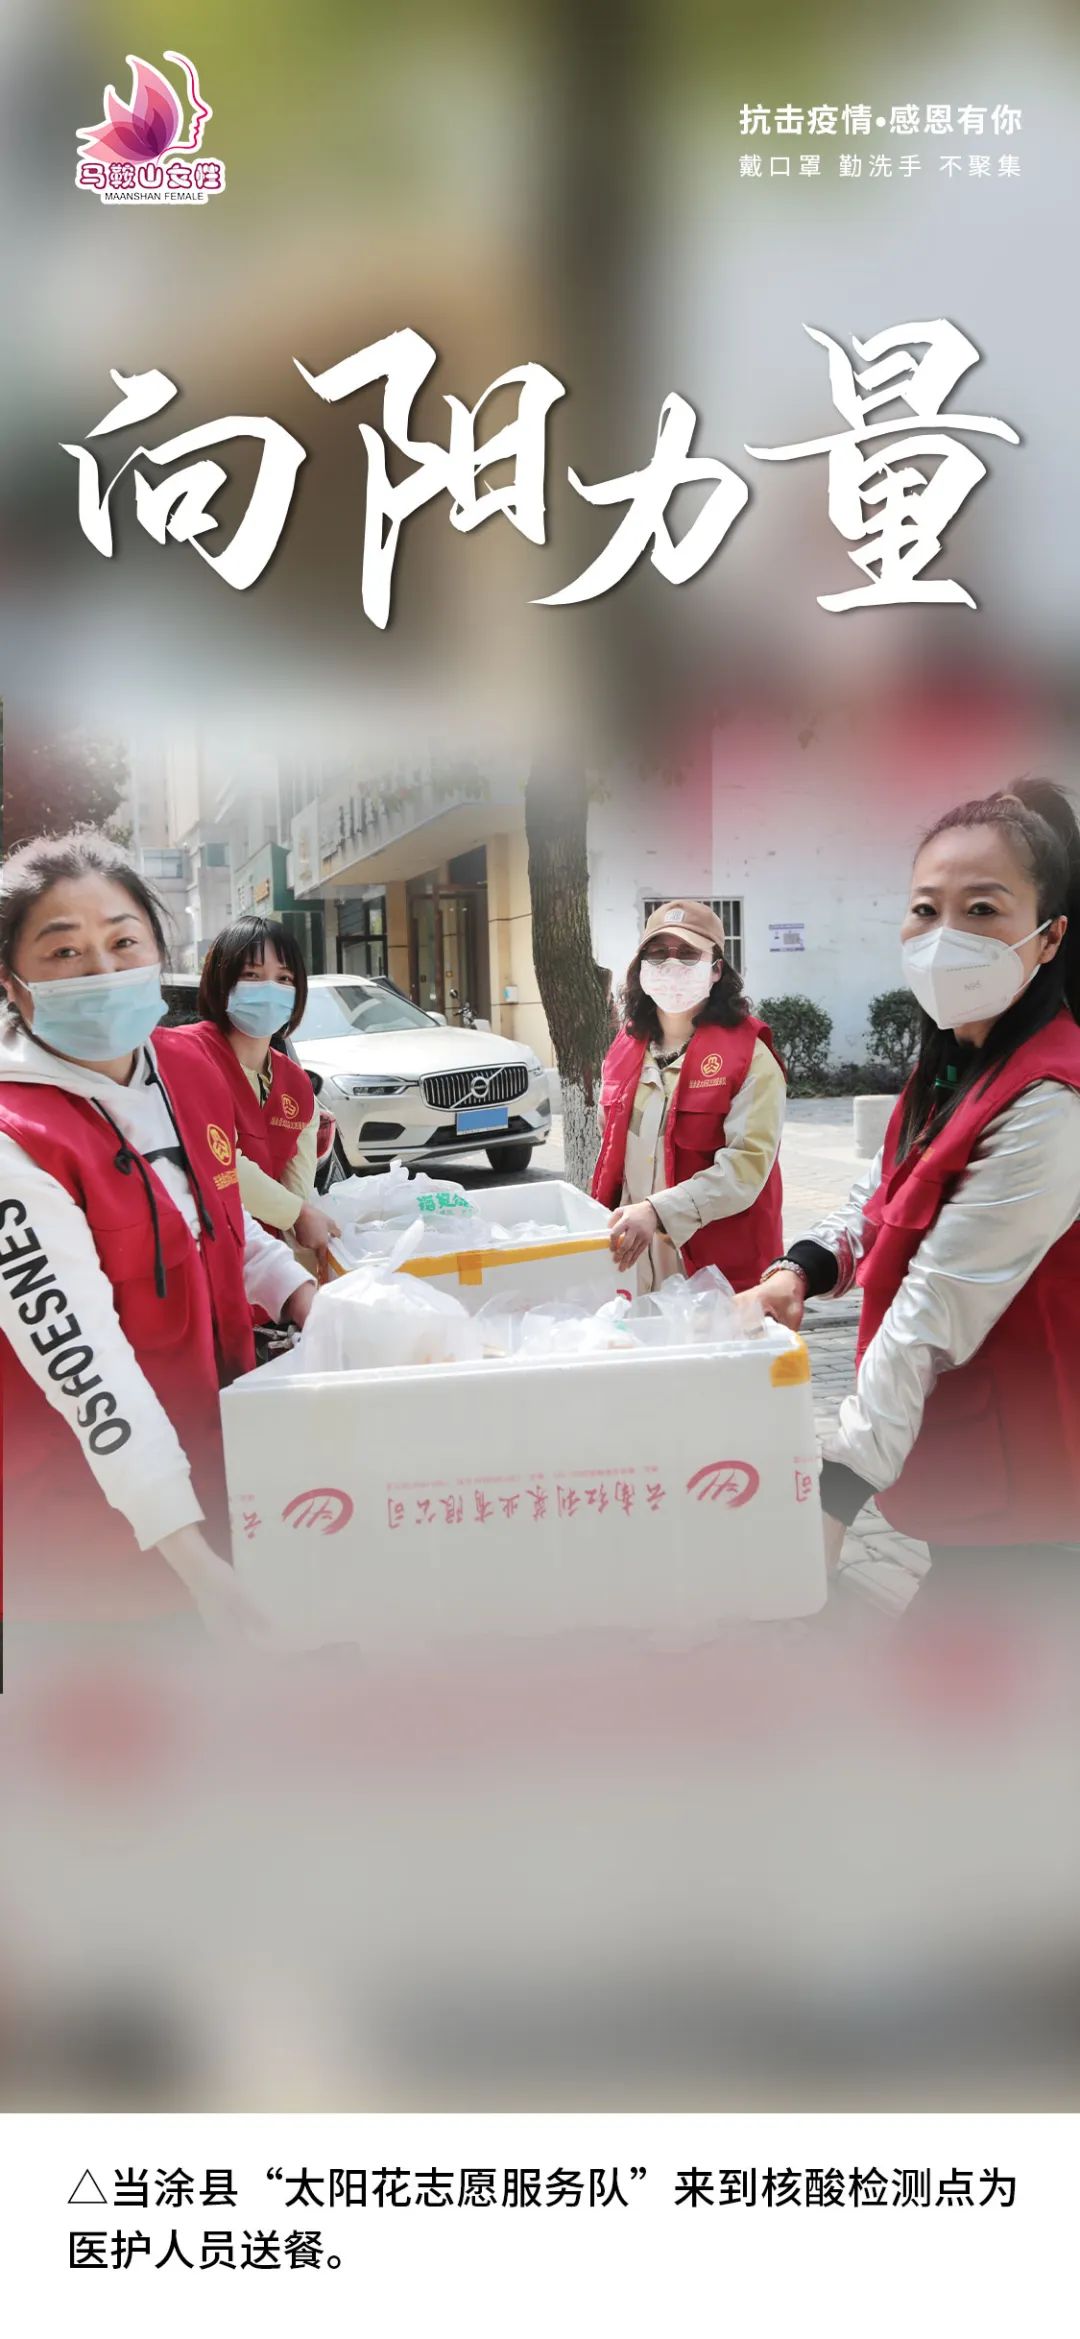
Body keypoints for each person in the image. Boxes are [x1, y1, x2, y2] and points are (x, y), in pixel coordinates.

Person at [743, 779, 1080, 1608]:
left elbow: (936, 1303)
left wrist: (834, 1494)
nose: (945, 936)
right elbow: (879, 1195)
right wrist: (801, 1268)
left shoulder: (1052, 1097)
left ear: (1049, 936)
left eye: (983, 909)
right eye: (926, 909)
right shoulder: (953, 1068)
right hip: (968, 1477)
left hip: (1038, 1503)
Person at [0, 832, 318, 1638]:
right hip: (96, 1542)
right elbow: (84, 1366)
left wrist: (306, 1295)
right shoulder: (15, 1135)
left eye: (122, 942)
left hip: (220, 1477)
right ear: (12, 982)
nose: (101, 970)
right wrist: (195, 1561)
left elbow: (218, 1218)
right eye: (64, 951)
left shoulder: (187, 1067)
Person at [592, 899, 786, 1292]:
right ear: (641, 968)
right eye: (658, 953)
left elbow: (745, 1168)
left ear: (716, 970)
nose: (671, 964)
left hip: (716, 1269)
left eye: (687, 953)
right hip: (635, 1262)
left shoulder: (750, 1057)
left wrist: (657, 1210)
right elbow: (612, 1147)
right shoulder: (624, 1051)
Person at [165, 914, 339, 1268]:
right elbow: (220, 1163)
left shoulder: (296, 1085)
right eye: (251, 975)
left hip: (265, 1271)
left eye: (284, 978)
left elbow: (298, 1192)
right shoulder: (185, 1056)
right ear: (221, 982)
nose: (269, 989)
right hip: (196, 1260)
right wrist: (298, 1214)